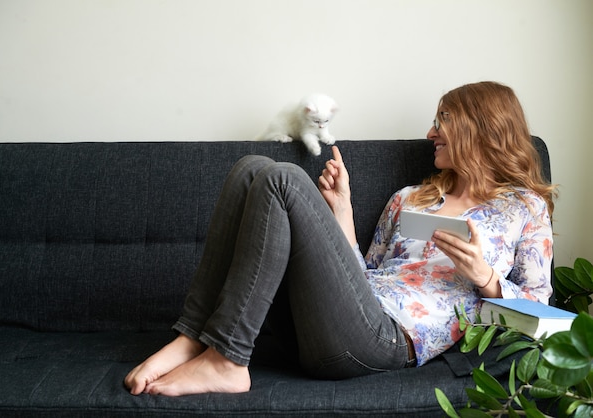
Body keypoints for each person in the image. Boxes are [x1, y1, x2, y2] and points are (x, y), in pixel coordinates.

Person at [124, 81, 556, 397]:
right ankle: (192, 338)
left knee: (283, 178)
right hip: (332, 323)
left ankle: (228, 359)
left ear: (478, 128)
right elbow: (360, 276)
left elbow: (541, 315)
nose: (430, 133)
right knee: (251, 167)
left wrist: (486, 279)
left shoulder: (523, 208)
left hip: (385, 341)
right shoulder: (411, 198)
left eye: (442, 121)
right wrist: (342, 212)